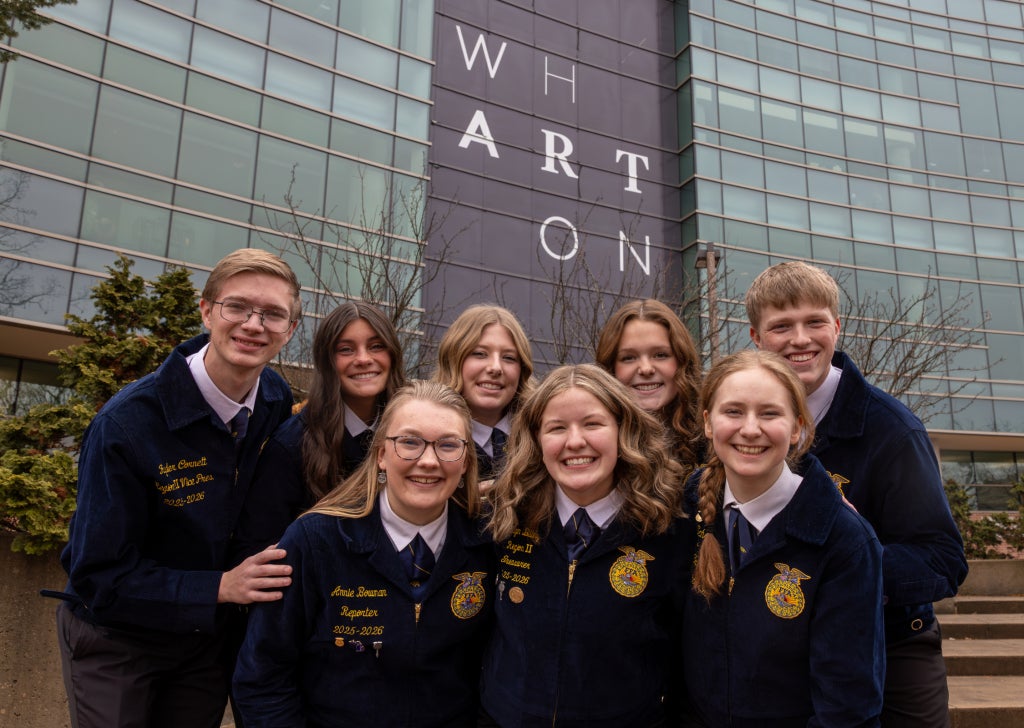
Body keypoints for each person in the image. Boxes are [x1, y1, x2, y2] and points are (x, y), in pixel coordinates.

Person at [53, 248, 301, 728]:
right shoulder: (126, 425)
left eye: (273, 314)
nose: (254, 324)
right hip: (117, 638)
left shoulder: (274, 398)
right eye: (237, 307)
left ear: (290, 330)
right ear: (206, 310)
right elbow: (99, 576)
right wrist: (222, 587)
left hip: (202, 638)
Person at [745, 261, 967, 727]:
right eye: (781, 326)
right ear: (756, 337)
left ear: (837, 327)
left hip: (894, 648)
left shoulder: (893, 430)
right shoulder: (744, 428)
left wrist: (849, 560)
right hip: (785, 650)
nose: (799, 339)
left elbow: (943, 561)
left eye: (815, 322)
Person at [232, 380, 494, 728]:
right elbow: (263, 678)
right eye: (410, 442)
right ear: (381, 454)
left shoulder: (488, 546)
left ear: (465, 462)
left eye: (448, 445)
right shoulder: (314, 542)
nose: (428, 461)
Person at [481, 364, 693, 727]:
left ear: (622, 430)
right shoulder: (503, 518)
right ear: (536, 438)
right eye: (557, 428)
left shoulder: (670, 527)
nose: (574, 441)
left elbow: (687, 653)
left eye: (593, 424)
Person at [683, 349, 885, 726]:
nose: (750, 428)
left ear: (797, 428)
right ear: (708, 423)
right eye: (734, 411)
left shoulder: (844, 539)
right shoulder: (684, 511)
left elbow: (847, 702)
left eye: (770, 413)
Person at [233, 302, 406, 558]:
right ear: (327, 361)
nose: (363, 359)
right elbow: (260, 549)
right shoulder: (291, 444)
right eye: (346, 349)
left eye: (376, 346)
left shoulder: (415, 431)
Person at [596, 298, 703, 470]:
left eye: (660, 355)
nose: (646, 369)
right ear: (610, 369)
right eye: (628, 358)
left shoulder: (713, 441)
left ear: (683, 361)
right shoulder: (595, 447)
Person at [433, 304, 533, 482]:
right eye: (480, 354)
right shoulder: (427, 438)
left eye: (509, 358)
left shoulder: (540, 435)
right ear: (454, 360)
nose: (495, 368)